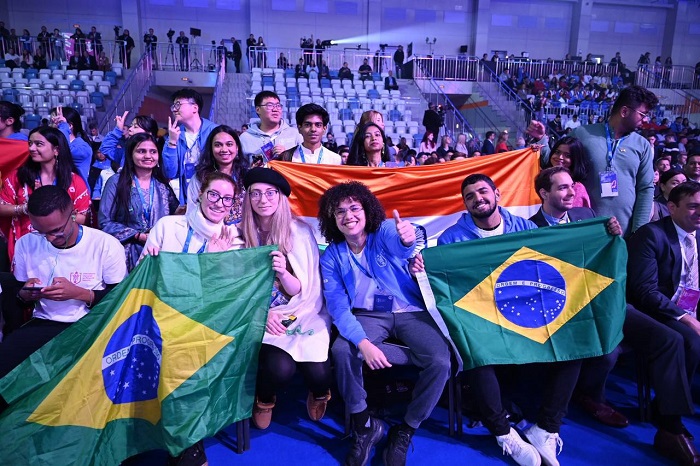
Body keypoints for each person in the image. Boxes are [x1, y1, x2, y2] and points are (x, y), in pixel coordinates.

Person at [530, 169, 700, 464]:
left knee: (671, 339)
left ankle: (668, 421)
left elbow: (608, 254)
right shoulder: (530, 228)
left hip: (607, 301)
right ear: (544, 193)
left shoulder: (586, 216)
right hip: (567, 310)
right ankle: (669, 428)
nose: (571, 193)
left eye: (572, 186)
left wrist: (613, 234)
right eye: (562, 188)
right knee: (614, 349)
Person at [438, 174, 579, 466]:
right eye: (469, 196)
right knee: (474, 351)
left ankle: (546, 428)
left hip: (524, 315)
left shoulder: (524, 228)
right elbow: (448, 285)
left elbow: (548, 267)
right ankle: (503, 433)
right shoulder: (451, 239)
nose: (477, 199)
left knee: (573, 345)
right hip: (482, 320)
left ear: (497, 194)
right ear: (465, 204)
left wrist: (606, 230)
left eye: (482, 192)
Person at [318, 181, 451, 466]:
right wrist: (364, 343)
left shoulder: (384, 232)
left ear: (367, 210)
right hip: (368, 316)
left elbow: (402, 246)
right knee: (343, 350)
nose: (348, 216)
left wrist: (407, 239)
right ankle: (364, 424)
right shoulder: (332, 256)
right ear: (332, 219)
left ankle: (407, 428)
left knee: (440, 361)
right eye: (340, 211)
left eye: (354, 208)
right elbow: (338, 307)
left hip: (410, 311)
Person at [142, 170, 243, 466]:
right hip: (160, 315)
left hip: (206, 321)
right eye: (214, 194)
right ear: (200, 194)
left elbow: (223, 295)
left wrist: (211, 262)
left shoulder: (233, 239)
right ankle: (183, 446)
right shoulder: (167, 225)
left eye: (227, 199)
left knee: (184, 359)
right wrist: (152, 264)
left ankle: (185, 447)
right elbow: (145, 279)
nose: (219, 203)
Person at [0, 185, 126, 384]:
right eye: (41, 232)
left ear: (73, 215)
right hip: (44, 322)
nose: (50, 238)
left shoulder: (105, 244)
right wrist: (25, 294)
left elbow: (120, 298)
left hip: (92, 326)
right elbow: (16, 296)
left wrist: (80, 294)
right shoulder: (26, 243)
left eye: (56, 231)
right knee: (7, 364)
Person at [239, 168, 332, 429]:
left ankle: (320, 393)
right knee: (280, 369)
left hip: (301, 310)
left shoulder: (299, 232)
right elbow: (236, 289)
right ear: (248, 198)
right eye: (256, 193)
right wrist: (261, 314)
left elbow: (303, 289)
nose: (263, 199)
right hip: (258, 313)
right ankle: (264, 398)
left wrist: (282, 272)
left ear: (280, 198)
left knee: (319, 373)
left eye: (270, 193)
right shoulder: (239, 234)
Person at [529, 84, 658, 236]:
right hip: (584, 231)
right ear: (624, 111)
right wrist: (541, 140)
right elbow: (555, 165)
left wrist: (639, 231)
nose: (645, 119)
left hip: (625, 234)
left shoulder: (642, 145)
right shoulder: (583, 134)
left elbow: (645, 189)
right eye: (643, 114)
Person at [0, 127, 90, 261]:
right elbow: (2, 208)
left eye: (39, 144)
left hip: (64, 248)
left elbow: (83, 218)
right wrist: (26, 208)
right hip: (27, 247)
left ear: (56, 150)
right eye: (30, 143)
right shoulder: (18, 177)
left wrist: (55, 212)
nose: (32, 148)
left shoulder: (74, 181)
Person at [99, 133, 178, 272]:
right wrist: (137, 235)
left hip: (158, 253)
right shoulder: (116, 183)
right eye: (141, 151)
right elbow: (104, 222)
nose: (148, 156)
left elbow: (175, 216)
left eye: (153, 151)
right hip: (125, 255)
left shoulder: (162, 185)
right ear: (131, 155)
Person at [163, 88, 218, 204]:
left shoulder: (214, 131)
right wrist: (172, 142)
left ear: (195, 108)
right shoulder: (175, 135)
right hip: (188, 199)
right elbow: (170, 172)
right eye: (173, 106)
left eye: (178, 104)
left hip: (214, 195)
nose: (175, 109)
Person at [186, 125, 247, 223]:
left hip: (241, 229)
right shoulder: (201, 177)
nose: (224, 149)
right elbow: (191, 211)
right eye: (218, 145)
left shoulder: (245, 176)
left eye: (229, 144)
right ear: (211, 149)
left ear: (237, 148)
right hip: (207, 229)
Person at [239, 91, 302, 166]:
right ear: (258, 109)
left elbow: (305, 163)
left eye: (278, 105)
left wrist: (287, 156)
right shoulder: (245, 138)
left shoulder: (295, 134)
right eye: (270, 105)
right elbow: (240, 168)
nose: (275, 109)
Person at [543, 136, 591, 208]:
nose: (560, 157)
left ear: (575, 160)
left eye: (567, 155)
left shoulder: (577, 188)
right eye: (557, 152)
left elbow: (573, 214)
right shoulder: (542, 179)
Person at [51, 106, 93, 187]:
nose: (51, 125)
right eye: (52, 120)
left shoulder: (83, 147)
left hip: (75, 191)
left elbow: (65, 150)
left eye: (56, 121)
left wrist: (63, 125)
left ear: (69, 126)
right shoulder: (53, 145)